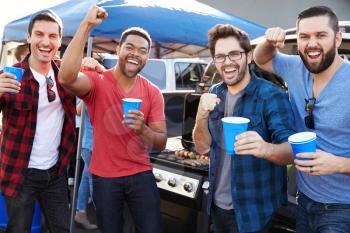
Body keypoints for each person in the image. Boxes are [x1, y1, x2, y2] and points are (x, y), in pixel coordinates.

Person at [58, 6, 167, 233]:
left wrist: (143, 130)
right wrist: (87, 25)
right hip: (104, 177)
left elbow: (161, 142)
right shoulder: (97, 81)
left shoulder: (153, 92)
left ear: (148, 56)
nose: (135, 53)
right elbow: (66, 77)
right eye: (129, 47)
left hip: (140, 174)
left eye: (142, 50)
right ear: (118, 49)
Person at [254, 5, 350, 233]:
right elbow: (260, 59)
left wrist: (339, 164)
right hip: (304, 199)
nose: (312, 43)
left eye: (321, 35)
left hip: (342, 207)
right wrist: (269, 41)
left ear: (337, 39)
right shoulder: (296, 67)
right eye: (304, 36)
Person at [192, 24, 296, 233]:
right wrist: (201, 114)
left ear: (249, 56)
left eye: (234, 54)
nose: (227, 62)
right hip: (217, 205)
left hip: (254, 211)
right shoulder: (215, 92)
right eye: (220, 56)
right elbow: (202, 147)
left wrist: (265, 148)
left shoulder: (270, 95)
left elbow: (291, 151)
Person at [0, 10, 76, 233]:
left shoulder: (66, 74)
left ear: (60, 41)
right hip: (19, 173)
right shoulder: (10, 75)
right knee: (19, 229)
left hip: (56, 171)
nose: (45, 41)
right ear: (29, 37)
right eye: (39, 34)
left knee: (61, 228)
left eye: (53, 36)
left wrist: (94, 64)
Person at [74, 100, 98, 230]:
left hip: (91, 144)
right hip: (91, 144)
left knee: (87, 176)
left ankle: (80, 212)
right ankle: (104, 215)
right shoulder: (87, 83)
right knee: (94, 180)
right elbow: (78, 110)